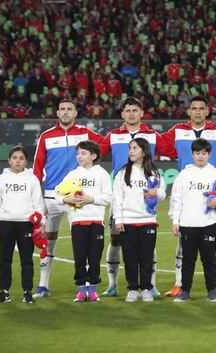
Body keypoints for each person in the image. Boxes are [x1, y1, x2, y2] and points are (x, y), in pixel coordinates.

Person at [161, 95, 216, 298]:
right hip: (188, 203)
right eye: (193, 108)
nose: (197, 111)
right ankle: (180, 284)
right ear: (189, 111)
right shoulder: (177, 131)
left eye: (201, 108)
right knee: (184, 249)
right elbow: (162, 146)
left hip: (209, 207)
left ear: (207, 111)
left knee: (215, 244)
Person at [98, 97, 170, 298]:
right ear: (122, 114)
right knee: (115, 239)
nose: (131, 113)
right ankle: (113, 284)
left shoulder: (153, 136)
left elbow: (174, 151)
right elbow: (95, 154)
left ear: (141, 113)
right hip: (122, 197)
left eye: (134, 110)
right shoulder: (113, 136)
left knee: (148, 246)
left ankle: (150, 285)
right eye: (127, 110)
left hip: (145, 207)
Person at [32, 98, 103, 298]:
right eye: (62, 108)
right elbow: (37, 168)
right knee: (48, 240)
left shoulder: (85, 133)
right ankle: (43, 285)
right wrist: (36, 198)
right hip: (50, 197)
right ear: (57, 112)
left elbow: (104, 145)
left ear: (75, 113)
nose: (65, 112)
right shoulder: (46, 136)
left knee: (83, 241)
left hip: (77, 198)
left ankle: (86, 286)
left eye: (69, 109)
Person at [170, 139, 216, 303]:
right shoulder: (184, 174)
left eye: (204, 153)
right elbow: (176, 199)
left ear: (209, 154)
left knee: (209, 259)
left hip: (208, 223)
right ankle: (185, 291)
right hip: (187, 224)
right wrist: (176, 220)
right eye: (197, 153)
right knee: (188, 260)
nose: (201, 156)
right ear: (192, 154)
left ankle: (212, 290)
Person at [56, 141, 112, 302]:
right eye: (78, 153)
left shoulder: (101, 174)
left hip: (96, 222)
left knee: (94, 258)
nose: (79, 156)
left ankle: (93, 290)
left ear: (93, 156)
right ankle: (81, 290)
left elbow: (108, 197)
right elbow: (57, 194)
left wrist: (90, 199)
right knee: (79, 257)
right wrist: (67, 199)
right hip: (77, 222)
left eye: (83, 153)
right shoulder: (73, 174)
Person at [112, 138, 166, 302]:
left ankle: (146, 289)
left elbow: (163, 194)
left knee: (146, 257)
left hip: (148, 220)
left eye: (135, 148)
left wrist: (155, 192)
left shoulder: (154, 172)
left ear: (144, 151)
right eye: (130, 148)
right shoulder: (122, 173)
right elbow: (117, 198)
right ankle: (133, 289)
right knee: (130, 257)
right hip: (127, 221)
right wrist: (118, 219)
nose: (131, 151)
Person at [0, 146, 45, 304]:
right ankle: (4, 292)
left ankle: (27, 292)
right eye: (14, 158)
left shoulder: (32, 179)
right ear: (9, 160)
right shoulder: (1, 180)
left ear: (26, 161)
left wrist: (40, 224)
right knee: (4, 259)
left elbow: (38, 204)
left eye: (21, 158)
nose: (18, 161)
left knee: (26, 259)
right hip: (6, 224)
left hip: (26, 225)